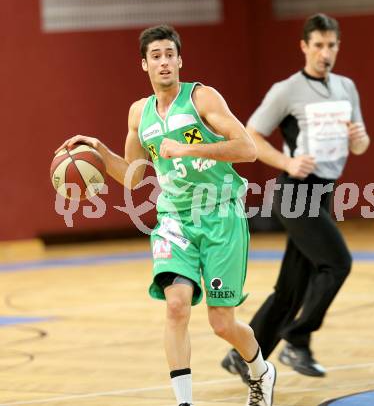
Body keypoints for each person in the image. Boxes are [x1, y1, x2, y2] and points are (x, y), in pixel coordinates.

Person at [56, 25, 276, 406]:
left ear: (180, 60)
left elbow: (247, 149)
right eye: (155, 56)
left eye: (169, 55)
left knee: (221, 323)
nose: (164, 62)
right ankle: (184, 402)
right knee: (176, 306)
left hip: (220, 212)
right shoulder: (139, 113)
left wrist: (187, 151)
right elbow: (132, 174)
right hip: (175, 217)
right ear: (144, 64)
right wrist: (97, 150)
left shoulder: (202, 98)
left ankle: (260, 370)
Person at [221, 13, 370, 380]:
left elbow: (363, 144)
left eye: (331, 45)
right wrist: (286, 161)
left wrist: (358, 138)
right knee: (337, 263)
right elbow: (250, 136)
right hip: (294, 193)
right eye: (318, 45)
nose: (325, 52)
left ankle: (242, 355)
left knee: (291, 289)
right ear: (304, 46)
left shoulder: (346, 88)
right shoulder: (286, 90)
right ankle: (298, 341)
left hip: (323, 192)